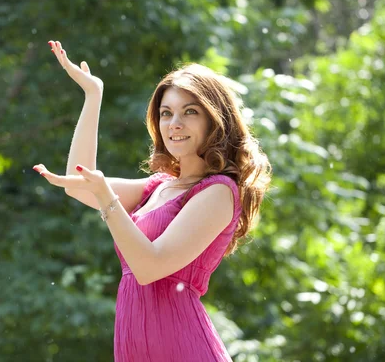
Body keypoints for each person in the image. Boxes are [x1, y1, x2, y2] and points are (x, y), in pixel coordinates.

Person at [33, 40, 271, 361]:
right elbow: (79, 184)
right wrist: (93, 96)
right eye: (166, 113)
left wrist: (107, 199)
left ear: (215, 120)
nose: (175, 124)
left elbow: (149, 267)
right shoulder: (157, 188)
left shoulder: (218, 191)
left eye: (190, 112)